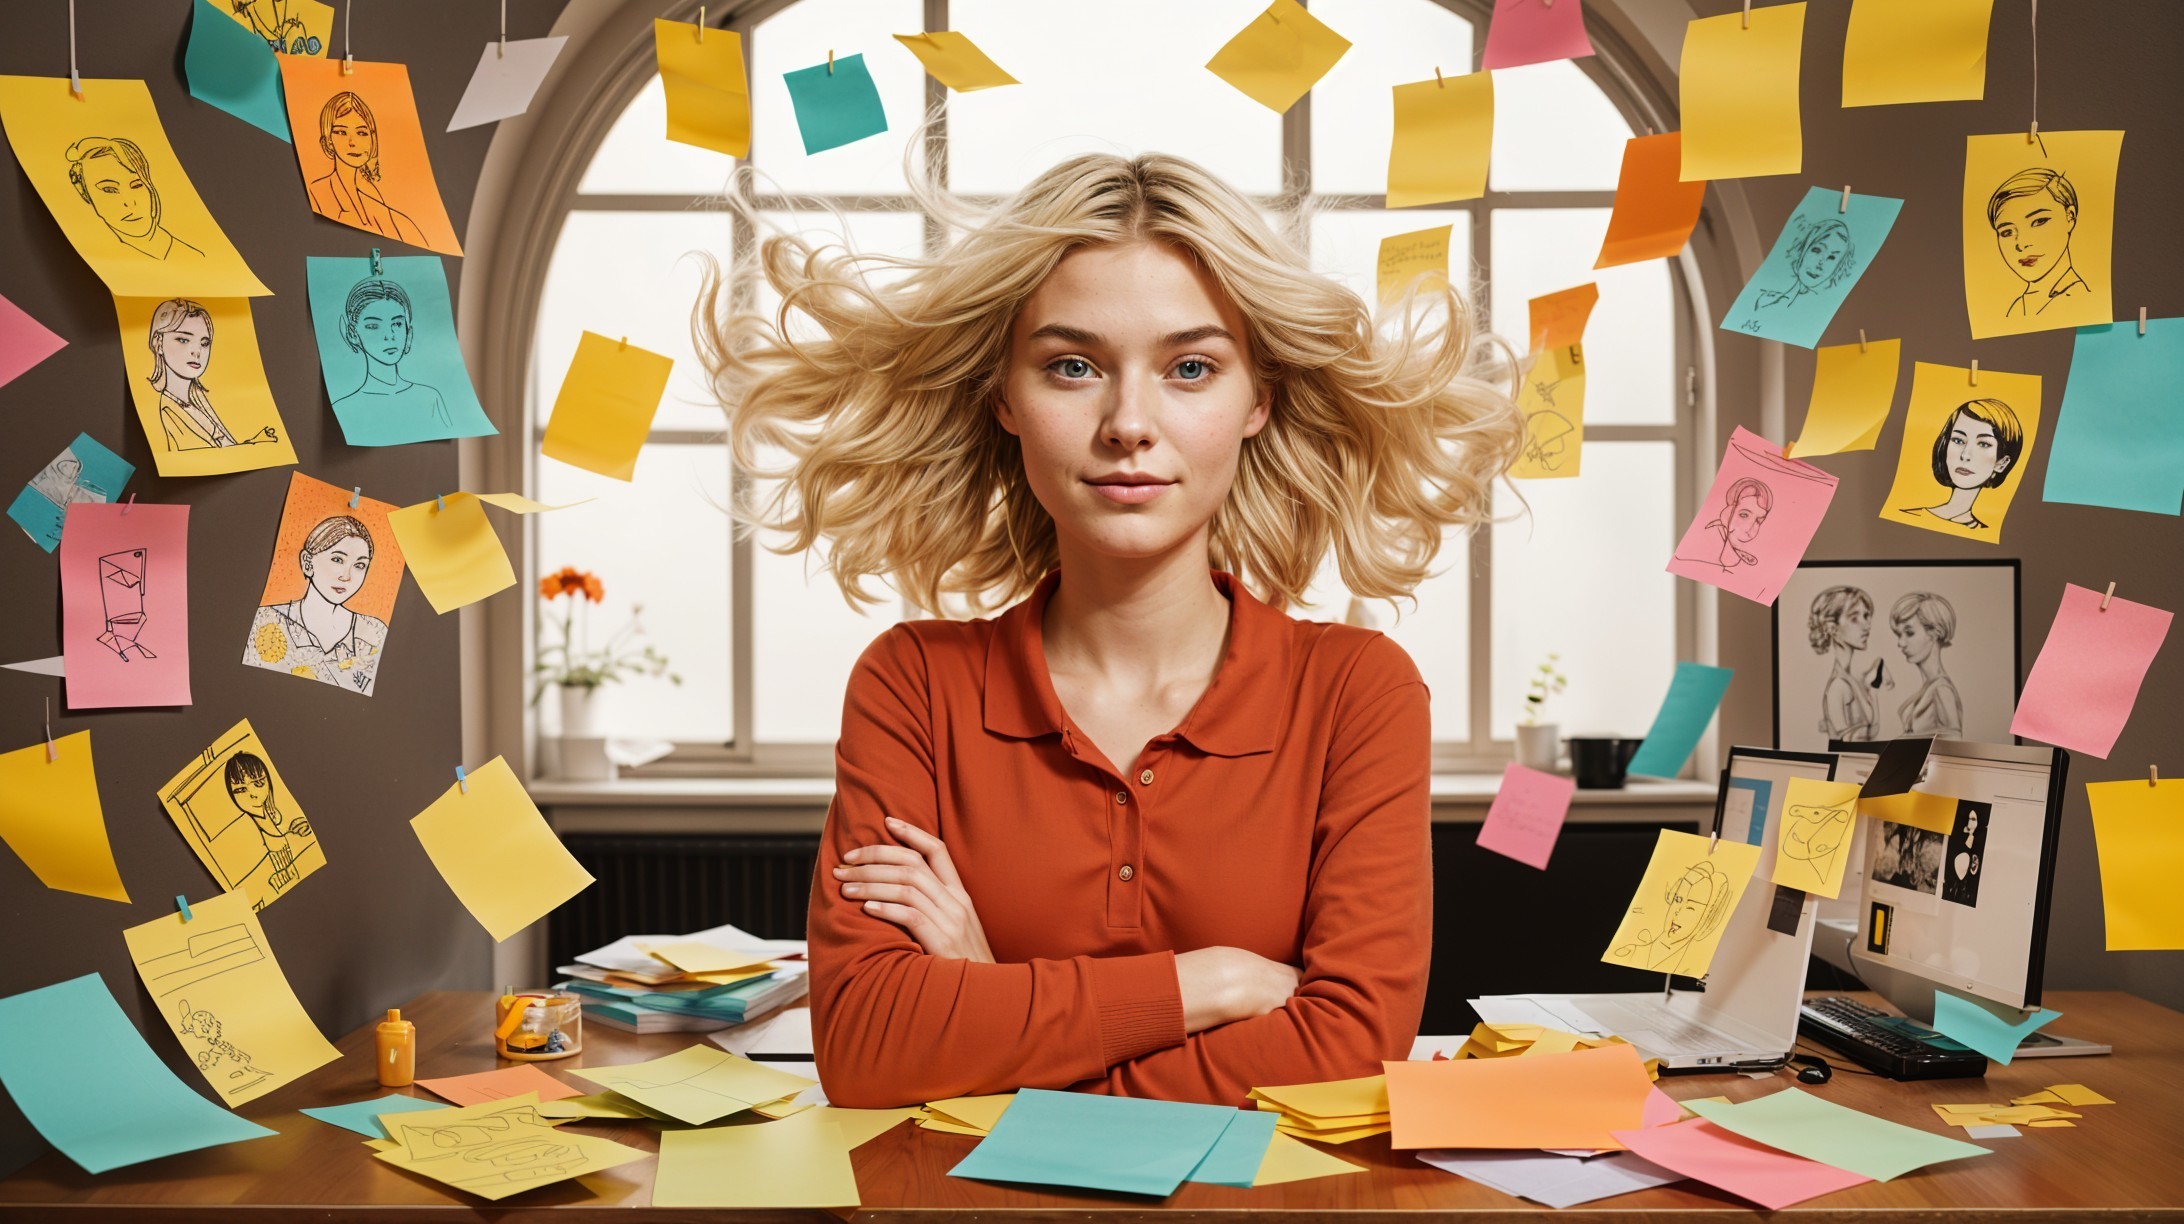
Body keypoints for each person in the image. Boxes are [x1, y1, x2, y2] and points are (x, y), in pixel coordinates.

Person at [696, 148, 1522, 1108]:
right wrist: (1199, 986)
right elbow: (871, 1051)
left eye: (1191, 368)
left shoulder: (1359, 691)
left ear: (1258, 400)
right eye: (1073, 366)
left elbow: (1343, 1054)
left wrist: (987, 999)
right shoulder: (911, 683)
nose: (1129, 422)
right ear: (1005, 397)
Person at [243, 515, 390, 695]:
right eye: (337, 560)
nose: (347, 576)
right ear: (307, 562)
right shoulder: (267, 620)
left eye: (359, 565)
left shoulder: (374, 633)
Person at [145, 299, 279, 451]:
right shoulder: (169, 410)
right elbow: (206, 459)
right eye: (183, 339)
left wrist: (253, 442)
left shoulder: (196, 398)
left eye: (204, 343)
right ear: (158, 342)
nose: (197, 351)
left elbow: (222, 450)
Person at [329, 278, 451, 437]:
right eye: (373, 326)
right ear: (353, 333)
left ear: (409, 331)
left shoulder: (430, 398)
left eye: (398, 324)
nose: (389, 336)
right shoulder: (343, 408)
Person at [306, 92, 427, 247]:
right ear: (329, 141)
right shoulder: (317, 191)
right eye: (341, 132)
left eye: (361, 133)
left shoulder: (374, 199)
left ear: (372, 140)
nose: (352, 142)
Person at [65, 137, 202, 261]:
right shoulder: (97, 257)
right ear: (84, 193)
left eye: (137, 185)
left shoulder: (194, 258)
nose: (130, 202)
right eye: (110, 190)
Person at [1899, 398, 2023, 530]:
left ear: (2001, 463)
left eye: (1983, 444)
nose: (1965, 455)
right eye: (1958, 440)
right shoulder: (1912, 516)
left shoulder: (1983, 531)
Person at [1987, 168, 2087, 317]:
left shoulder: (2079, 300)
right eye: (2007, 232)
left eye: (2039, 221)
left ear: (2070, 217)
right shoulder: (2017, 308)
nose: (2021, 244)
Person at [1809, 585, 1879, 741]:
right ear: (1832, 628)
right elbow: (1848, 743)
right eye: (1854, 618)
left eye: (1866, 616)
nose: (1866, 625)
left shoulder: (1849, 680)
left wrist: (1872, 688)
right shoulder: (1838, 685)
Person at [1891, 592, 1963, 738]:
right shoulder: (1930, 687)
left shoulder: (1941, 690)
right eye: (1899, 635)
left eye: (1909, 633)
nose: (1901, 643)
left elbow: (1954, 744)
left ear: (1935, 632)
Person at [1753, 215, 1855, 310]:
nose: (1820, 263)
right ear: (1802, 249)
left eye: (1832, 257)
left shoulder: (1826, 312)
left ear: (1839, 267)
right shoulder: (1767, 301)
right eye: (1817, 250)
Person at [1677, 476, 1772, 573]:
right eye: (1744, 515)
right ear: (1729, 510)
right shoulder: (1713, 533)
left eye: (1758, 520)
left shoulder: (1741, 547)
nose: (1749, 527)